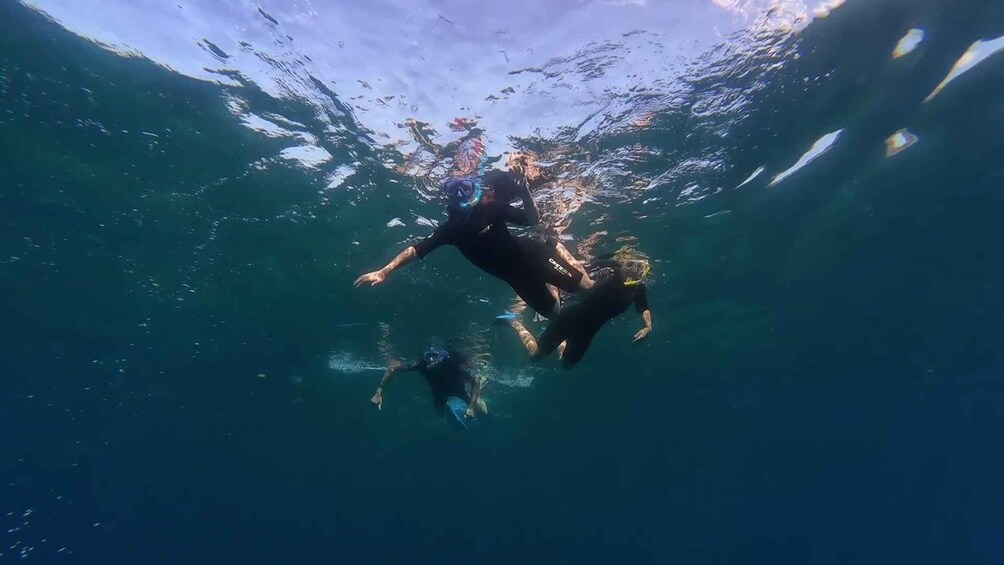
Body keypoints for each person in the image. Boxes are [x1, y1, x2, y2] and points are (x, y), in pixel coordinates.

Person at [354, 171, 593, 318]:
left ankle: (557, 249)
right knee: (558, 317)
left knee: (589, 292)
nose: (460, 194)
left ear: (474, 188)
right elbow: (416, 250)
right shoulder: (451, 230)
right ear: (448, 197)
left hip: (534, 255)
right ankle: (555, 288)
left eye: (465, 187)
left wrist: (524, 189)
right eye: (453, 190)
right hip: (518, 279)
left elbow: (532, 221)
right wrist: (384, 272)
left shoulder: (490, 208)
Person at [503, 251, 654, 368]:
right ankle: (516, 323)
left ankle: (562, 343)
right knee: (535, 358)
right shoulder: (610, 272)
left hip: (587, 332)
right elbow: (584, 266)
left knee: (565, 366)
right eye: (629, 265)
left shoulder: (638, 289)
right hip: (570, 319)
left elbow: (643, 308)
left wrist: (648, 326)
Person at [370, 347, 488, 420]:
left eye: (435, 356)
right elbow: (393, 368)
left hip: (459, 389)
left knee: (482, 409)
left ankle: (476, 396)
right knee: (439, 415)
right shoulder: (421, 364)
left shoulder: (452, 363)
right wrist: (379, 391)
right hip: (439, 392)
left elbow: (475, 379)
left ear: (442, 357)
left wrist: (471, 407)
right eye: (429, 357)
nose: (431, 361)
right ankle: (449, 403)